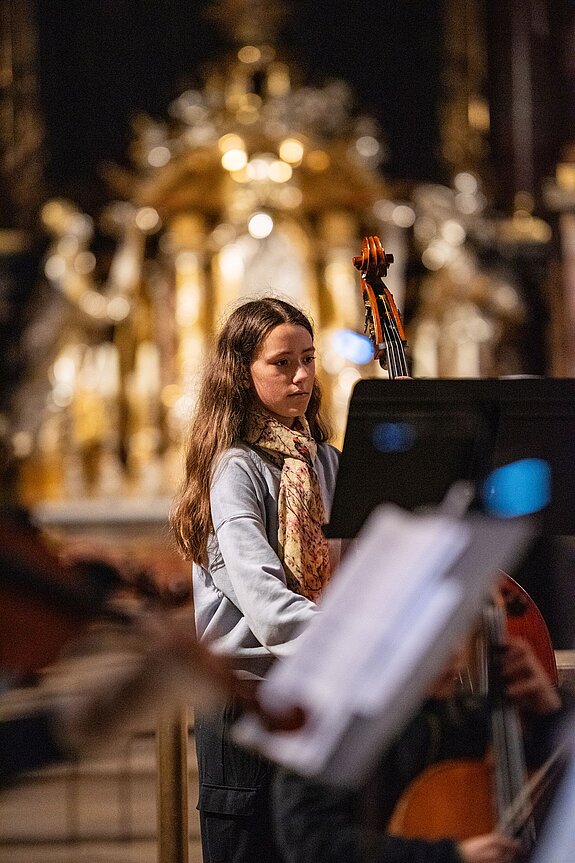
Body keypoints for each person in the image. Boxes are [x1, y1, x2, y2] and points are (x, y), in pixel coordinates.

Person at [170, 297, 339, 863]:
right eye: (281, 363)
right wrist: (355, 646)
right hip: (245, 701)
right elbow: (267, 607)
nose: (301, 376)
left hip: (314, 695)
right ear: (242, 374)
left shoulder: (327, 462)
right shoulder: (234, 468)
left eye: (308, 359)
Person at [272, 634, 566, 863]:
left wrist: (550, 714)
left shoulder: (464, 716)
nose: (455, 653)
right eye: (437, 633)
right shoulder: (332, 724)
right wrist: (451, 857)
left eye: (459, 630)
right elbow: (312, 840)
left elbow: (551, 795)